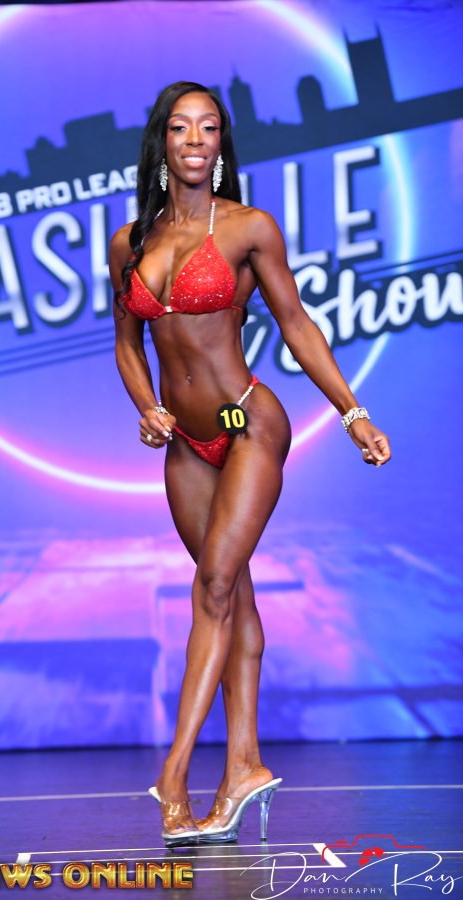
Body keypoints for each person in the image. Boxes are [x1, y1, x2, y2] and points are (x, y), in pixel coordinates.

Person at [109, 81, 391, 847]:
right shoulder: (129, 242)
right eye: (181, 127)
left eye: (209, 128)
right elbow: (126, 344)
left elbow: (295, 323)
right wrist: (146, 406)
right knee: (233, 596)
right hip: (185, 446)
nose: (195, 140)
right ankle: (244, 767)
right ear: (162, 143)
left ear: (222, 145)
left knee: (213, 586)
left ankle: (173, 772)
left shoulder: (248, 228)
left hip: (247, 426)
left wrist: (353, 412)